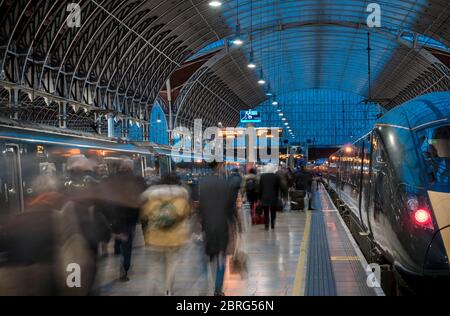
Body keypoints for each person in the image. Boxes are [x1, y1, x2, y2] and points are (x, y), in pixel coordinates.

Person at [140, 174, 192, 296]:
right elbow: (185, 214)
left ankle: (150, 291)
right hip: (174, 240)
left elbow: (145, 215)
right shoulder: (181, 198)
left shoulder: (152, 198)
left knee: (154, 267)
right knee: (171, 266)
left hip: (154, 239)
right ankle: (168, 290)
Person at [100, 158, 147, 282]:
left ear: (120, 167)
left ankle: (117, 253)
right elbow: (144, 197)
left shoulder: (110, 179)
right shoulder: (138, 180)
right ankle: (124, 269)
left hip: (113, 216)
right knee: (128, 242)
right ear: (131, 168)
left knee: (118, 237)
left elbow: (104, 197)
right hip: (130, 216)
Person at [199, 161, 237, 296]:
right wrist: (236, 225)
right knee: (221, 259)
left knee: (207, 256)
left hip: (207, 227)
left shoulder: (202, 183)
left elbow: (199, 207)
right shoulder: (225, 184)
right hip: (222, 227)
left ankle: (204, 283)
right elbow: (230, 208)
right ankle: (217, 290)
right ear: (220, 166)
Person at [259, 164, 281, 230]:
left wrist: (260, 197)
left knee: (266, 212)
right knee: (273, 211)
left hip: (264, 196)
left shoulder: (262, 176)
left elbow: (260, 187)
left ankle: (266, 224)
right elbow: (278, 187)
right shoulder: (276, 176)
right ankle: (272, 224)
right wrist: (278, 195)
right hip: (274, 196)